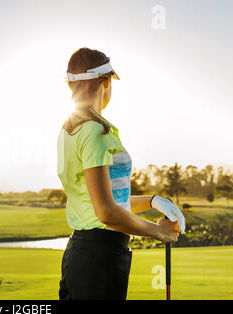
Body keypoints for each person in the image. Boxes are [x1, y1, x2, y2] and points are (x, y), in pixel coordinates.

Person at [56, 47, 186, 300]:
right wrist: (158, 231)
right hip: (101, 259)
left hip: (81, 253)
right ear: (106, 81)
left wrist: (152, 201)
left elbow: (103, 202)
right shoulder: (96, 133)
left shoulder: (69, 131)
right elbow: (106, 213)